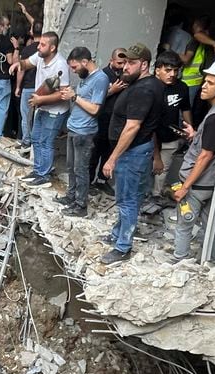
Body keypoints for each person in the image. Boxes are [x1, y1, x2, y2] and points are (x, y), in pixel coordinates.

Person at [100, 43, 164, 264]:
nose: (125, 67)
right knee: (128, 197)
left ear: (144, 64)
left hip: (132, 152)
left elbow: (132, 127)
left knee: (127, 200)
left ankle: (122, 247)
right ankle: (118, 234)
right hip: (138, 150)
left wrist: (112, 158)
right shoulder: (149, 84)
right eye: (125, 62)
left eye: (131, 63)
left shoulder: (143, 90)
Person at [173, 55, 215, 262]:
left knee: (185, 222)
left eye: (210, 83)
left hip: (198, 184)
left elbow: (205, 155)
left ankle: (179, 258)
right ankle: (212, 259)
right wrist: (196, 135)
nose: (203, 86)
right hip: (211, 183)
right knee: (209, 223)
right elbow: (211, 145)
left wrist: (185, 187)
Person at [10, 31, 70, 188]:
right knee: (36, 138)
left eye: (43, 44)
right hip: (42, 106)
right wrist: (18, 64)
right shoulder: (40, 57)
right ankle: (37, 171)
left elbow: (63, 93)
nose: (38, 46)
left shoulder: (60, 65)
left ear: (52, 48)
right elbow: (27, 63)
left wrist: (41, 99)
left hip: (55, 111)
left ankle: (44, 174)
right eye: (39, 43)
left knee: (46, 141)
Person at [56, 46, 108, 217]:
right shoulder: (86, 77)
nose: (73, 70)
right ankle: (71, 196)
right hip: (74, 128)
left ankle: (80, 205)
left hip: (85, 132)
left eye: (75, 67)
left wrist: (74, 97)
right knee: (71, 166)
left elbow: (94, 109)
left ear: (85, 62)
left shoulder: (100, 79)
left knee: (81, 169)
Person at [152, 50, 192, 197]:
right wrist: (156, 157)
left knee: (161, 173)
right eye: (168, 70)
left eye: (175, 70)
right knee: (145, 170)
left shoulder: (182, 87)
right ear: (158, 70)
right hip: (148, 138)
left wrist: (189, 130)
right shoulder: (150, 87)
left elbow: (186, 109)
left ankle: (155, 200)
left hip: (170, 138)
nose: (172, 74)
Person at [90, 47, 126, 194]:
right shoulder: (102, 76)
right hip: (101, 120)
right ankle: (88, 182)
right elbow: (93, 100)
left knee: (109, 153)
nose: (122, 66)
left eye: (124, 62)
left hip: (116, 122)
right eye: (119, 62)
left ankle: (101, 181)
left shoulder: (126, 76)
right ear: (111, 61)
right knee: (94, 153)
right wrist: (112, 91)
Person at [15, 22, 41, 152]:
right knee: (38, 117)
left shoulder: (27, 50)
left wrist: (18, 87)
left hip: (28, 87)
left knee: (26, 116)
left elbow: (21, 70)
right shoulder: (45, 51)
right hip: (41, 89)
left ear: (31, 32)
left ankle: (26, 142)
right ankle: (36, 143)